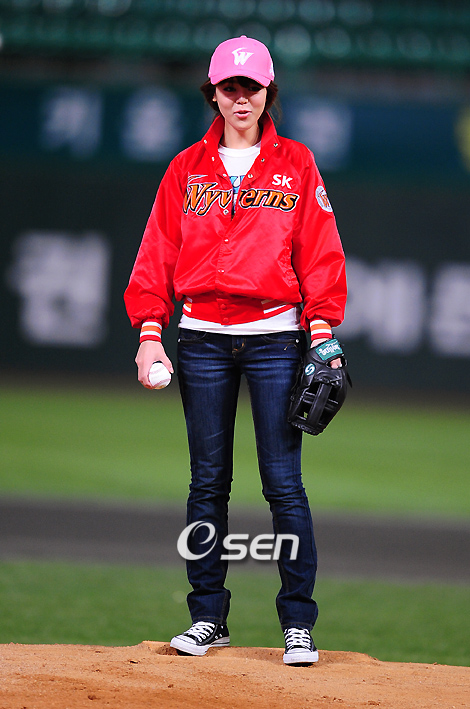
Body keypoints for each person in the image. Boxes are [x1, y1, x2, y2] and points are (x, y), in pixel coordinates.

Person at [124, 35, 347, 665]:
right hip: (200, 338)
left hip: (276, 335)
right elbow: (157, 253)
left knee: (283, 484)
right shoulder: (186, 168)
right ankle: (207, 617)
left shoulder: (296, 163)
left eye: (252, 87)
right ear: (213, 93)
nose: (241, 98)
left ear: (269, 92)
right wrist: (148, 333)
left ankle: (297, 624)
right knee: (207, 482)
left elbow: (320, 251)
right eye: (230, 87)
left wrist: (323, 331)